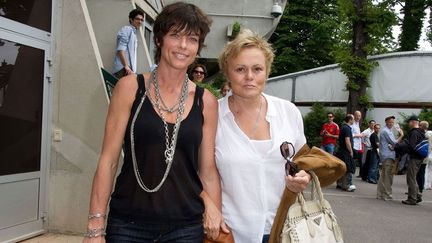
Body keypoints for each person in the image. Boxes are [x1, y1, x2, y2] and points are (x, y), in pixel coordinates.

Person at [84, 3, 226, 242]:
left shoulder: (206, 102)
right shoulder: (129, 89)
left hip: (186, 227)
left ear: (198, 47)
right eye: (175, 35)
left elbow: (208, 170)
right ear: (159, 40)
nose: (183, 46)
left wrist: (215, 211)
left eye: (192, 39)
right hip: (128, 224)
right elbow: (108, 161)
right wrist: (95, 226)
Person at [215, 29, 313, 243]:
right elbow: (196, 172)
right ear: (227, 73)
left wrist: (303, 176)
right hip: (231, 233)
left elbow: (302, 161)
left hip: (286, 229)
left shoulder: (288, 112)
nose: (249, 77)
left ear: (267, 71)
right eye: (240, 69)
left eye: (257, 69)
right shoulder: (212, 116)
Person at [377, 116, 403, 201]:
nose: (392, 123)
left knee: (384, 176)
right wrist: (402, 135)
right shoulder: (386, 131)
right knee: (388, 176)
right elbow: (394, 142)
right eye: (390, 122)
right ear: (386, 122)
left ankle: (380, 194)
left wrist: (393, 145)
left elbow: (392, 144)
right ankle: (387, 195)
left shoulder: (387, 131)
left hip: (386, 156)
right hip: (388, 156)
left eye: (392, 122)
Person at [112, 9, 144, 78]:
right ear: (131, 19)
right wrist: (126, 66)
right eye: (137, 19)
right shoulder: (127, 29)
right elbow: (121, 49)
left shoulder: (133, 33)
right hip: (124, 69)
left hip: (129, 70)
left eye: (142, 20)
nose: (140, 22)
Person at [402, 115, 425, 205]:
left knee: (410, 178)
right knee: (413, 178)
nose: (408, 124)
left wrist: (402, 147)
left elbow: (411, 146)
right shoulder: (421, 132)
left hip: (414, 158)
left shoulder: (414, 133)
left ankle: (412, 199)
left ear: (413, 122)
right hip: (419, 158)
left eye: (409, 122)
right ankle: (417, 195)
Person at [336, 114, 356, 192]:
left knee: (342, 168)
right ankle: (346, 185)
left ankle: (339, 183)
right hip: (345, 152)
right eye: (353, 119)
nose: (354, 121)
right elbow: (347, 141)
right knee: (347, 168)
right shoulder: (347, 129)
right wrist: (351, 151)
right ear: (350, 120)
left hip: (341, 150)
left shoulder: (342, 127)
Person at [417, 121, 429, 194]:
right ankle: (419, 188)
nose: (418, 126)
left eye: (419, 125)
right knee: (421, 173)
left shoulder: (426, 134)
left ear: (422, 126)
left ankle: (420, 189)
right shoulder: (427, 134)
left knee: (420, 173)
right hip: (426, 156)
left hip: (423, 156)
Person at [351, 111, 365, 178]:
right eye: (357, 115)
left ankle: (359, 174)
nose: (358, 117)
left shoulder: (358, 124)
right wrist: (359, 135)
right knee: (352, 160)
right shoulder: (352, 123)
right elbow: (350, 134)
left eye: (359, 116)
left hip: (358, 146)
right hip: (353, 145)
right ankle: (350, 174)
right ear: (354, 115)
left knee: (359, 160)